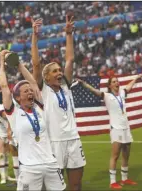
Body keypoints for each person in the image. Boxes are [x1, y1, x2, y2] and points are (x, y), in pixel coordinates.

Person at [31, 16, 86, 191]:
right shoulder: (43, 90)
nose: (59, 72)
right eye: (55, 71)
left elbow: (70, 59)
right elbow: (36, 64)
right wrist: (35, 37)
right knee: (54, 187)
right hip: (54, 141)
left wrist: (68, 34)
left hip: (73, 139)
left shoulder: (66, 87)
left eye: (60, 70)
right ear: (47, 76)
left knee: (76, 184)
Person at [0, 50, 66, 191]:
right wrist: (1, 63)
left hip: (51, 164)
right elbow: (4, 87)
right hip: (29, 168)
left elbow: (34, 83)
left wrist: (18, 64)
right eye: (26, 91)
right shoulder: (14, 113)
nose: (30, 92)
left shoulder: (39, 107)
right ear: (17, 97)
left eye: (30, 91)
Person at [78, 74, 142, 189]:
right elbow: (95, 91)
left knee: (126, 156)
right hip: (116, 128)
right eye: (114, 82)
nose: (116, 83)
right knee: (115, 156)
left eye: (117, 81)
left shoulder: (122, 93)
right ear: (109, 85)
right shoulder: (106, 96)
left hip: (126, 128)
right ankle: (112, 182)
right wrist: (84, 84)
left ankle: (124, 179)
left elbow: (129, 86)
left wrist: (136, 78)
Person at [0, 92, 18, 184]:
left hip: (8, 132)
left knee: (6, 155)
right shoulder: (0, 108)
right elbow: (8, 116)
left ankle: (6, 176)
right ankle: (3, 177)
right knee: (1, 155)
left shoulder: (4, 106)